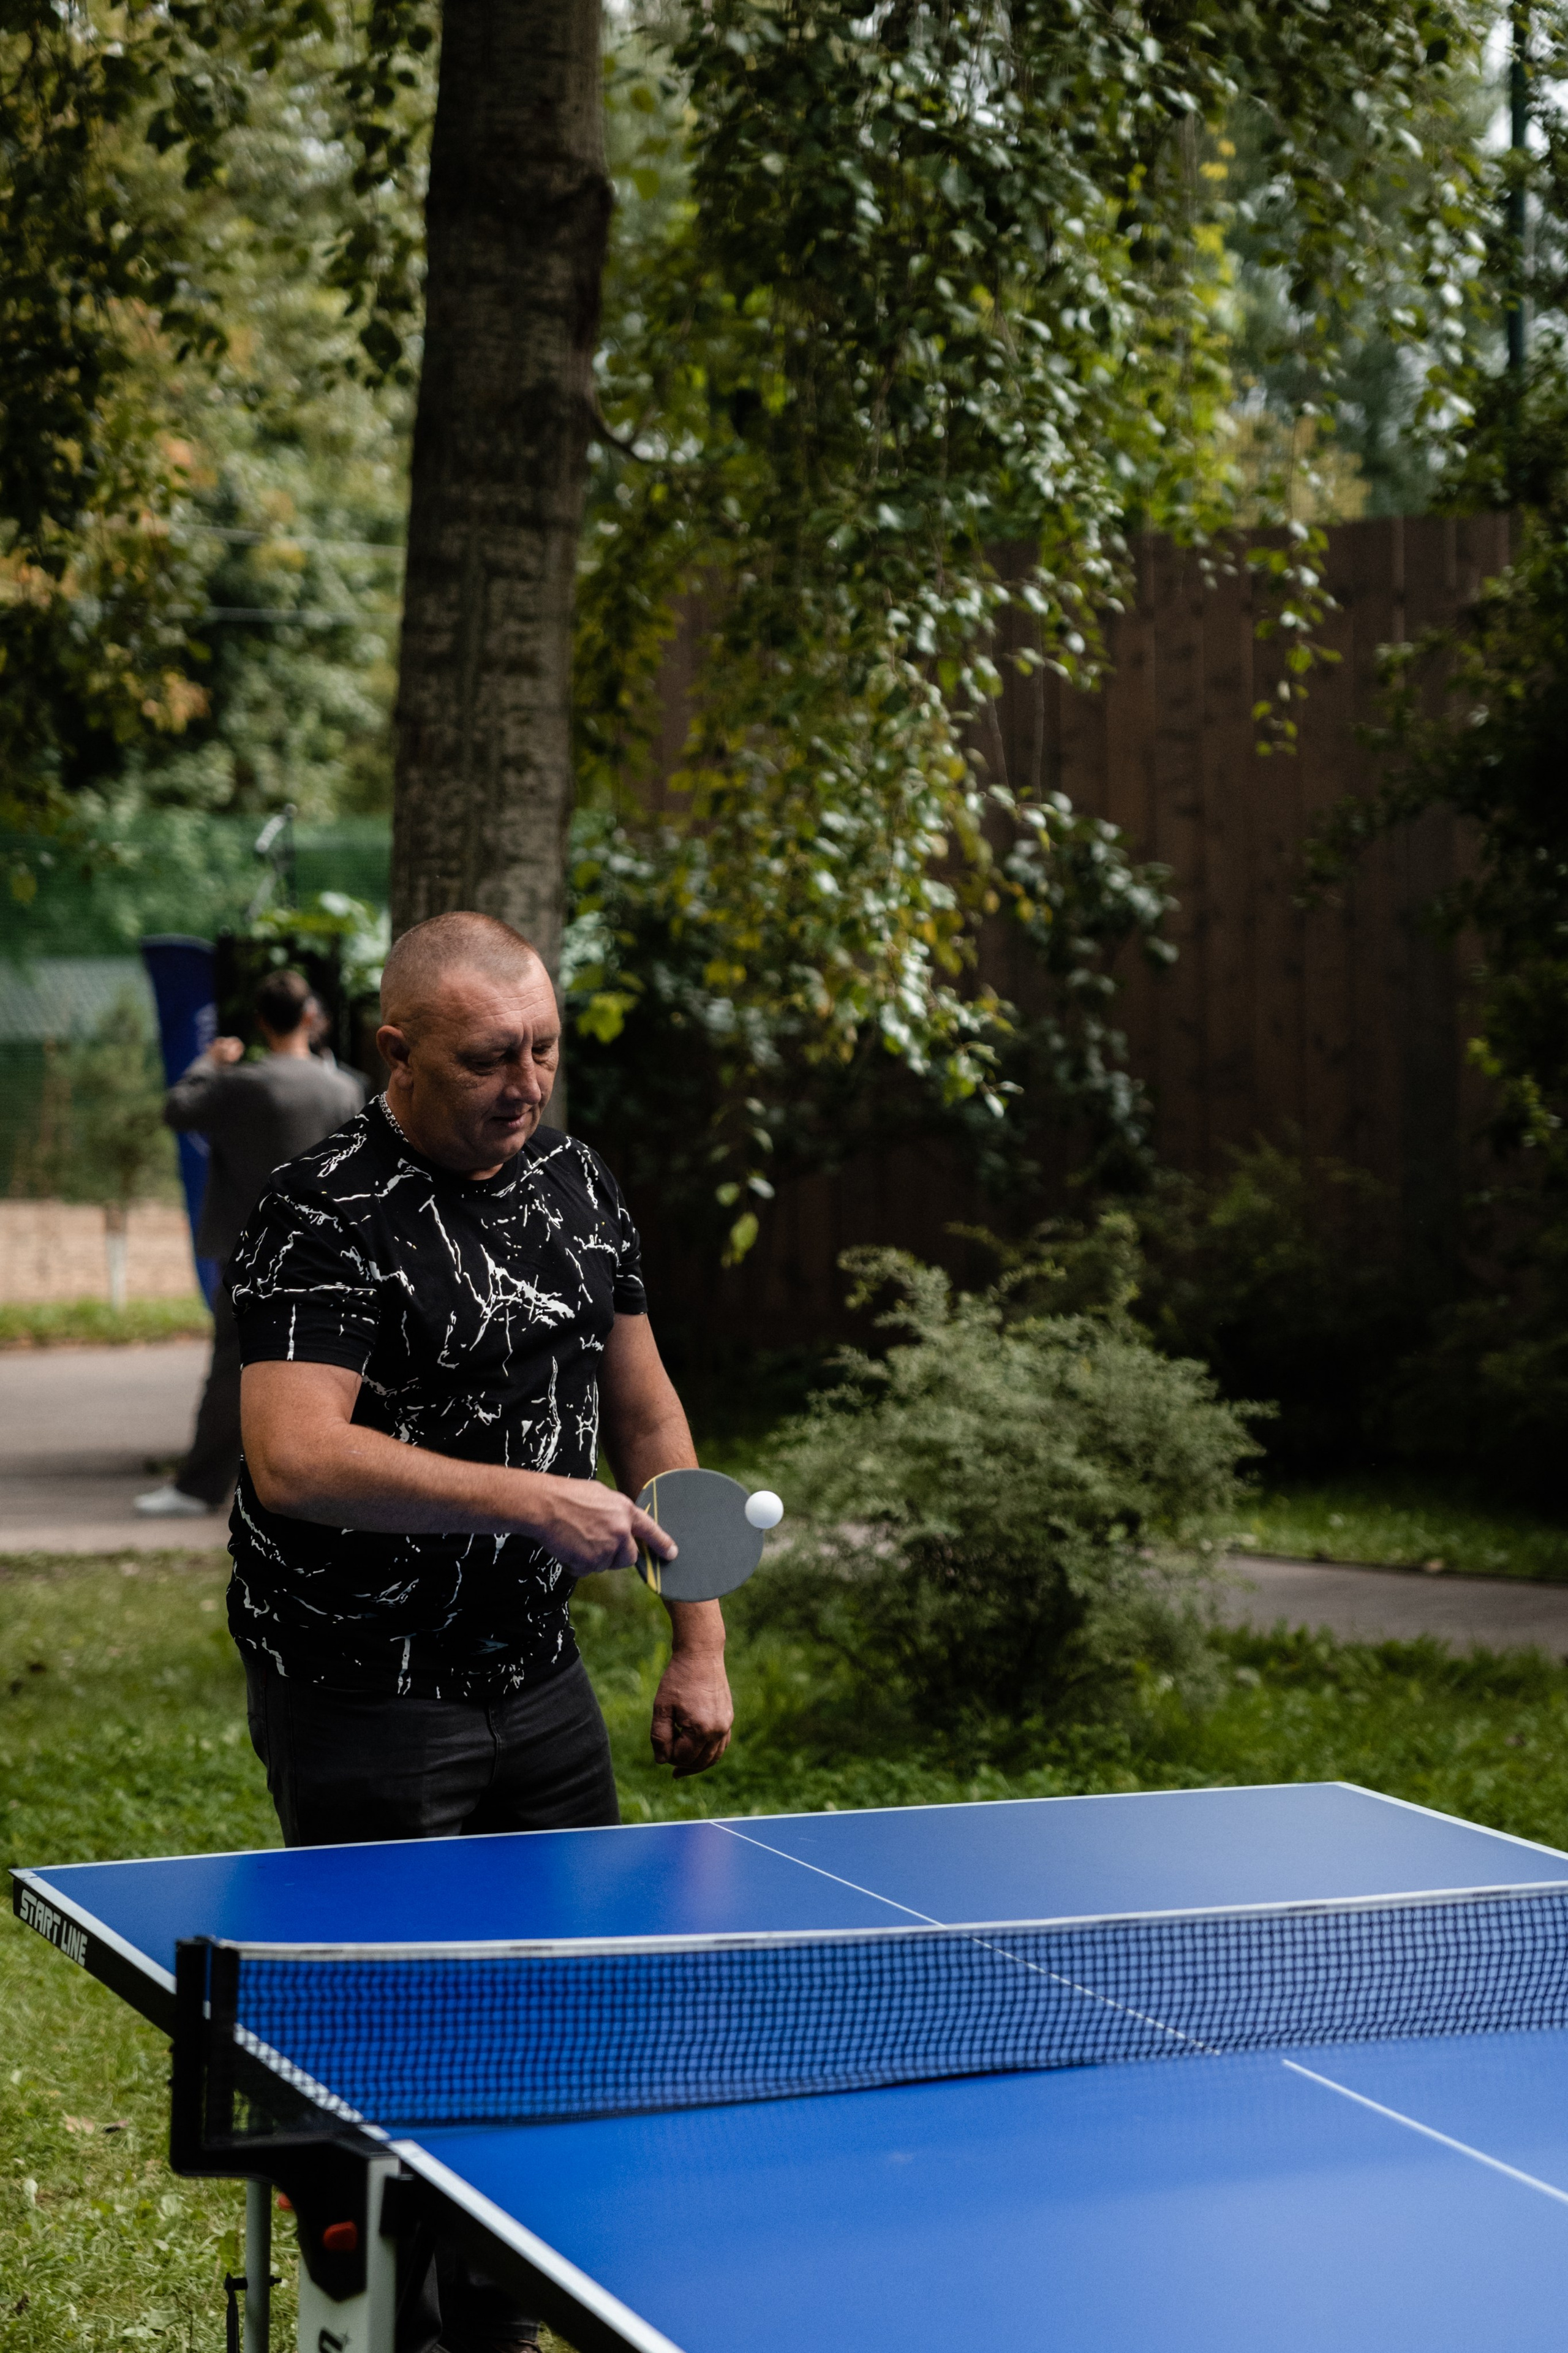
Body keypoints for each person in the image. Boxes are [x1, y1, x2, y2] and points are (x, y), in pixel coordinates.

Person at [222, 910, 733, 2353]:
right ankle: (372, 2313)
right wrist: (527, 1500)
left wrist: (696, 1637)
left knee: (555, 2028)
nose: (528, 1080)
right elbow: (296, 1457)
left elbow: (644, 1416)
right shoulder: (320, 1206)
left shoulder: (579, 1185)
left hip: (536, 1680)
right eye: (490, 1056)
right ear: (394, 1052)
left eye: (546, 1049)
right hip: (361, 1691)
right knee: (382, 2047)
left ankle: (492, 2308)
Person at [135, 970, 366, 1517]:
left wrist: (209, 1061)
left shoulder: (241, 1084)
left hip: (253, 1251)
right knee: (332, 1367)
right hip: (326, 1250)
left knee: (231, 1369)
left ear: (261, 1021)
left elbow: (177, 1108)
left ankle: (199, 1488)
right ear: (310, 1016)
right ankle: (329, 1482)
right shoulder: (347, 1088)